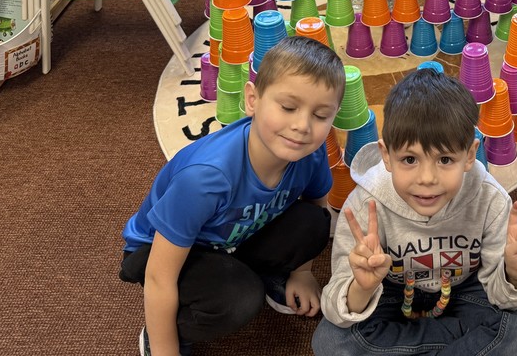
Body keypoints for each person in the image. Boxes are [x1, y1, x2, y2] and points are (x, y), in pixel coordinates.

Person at [119, 37, 346, 356]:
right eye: (288, 107)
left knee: (316, 221)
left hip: (234, 238)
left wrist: (302, 272)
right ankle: (173, 330)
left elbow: (316, 208)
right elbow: (159, 276)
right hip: (159, 252)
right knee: (240, 298)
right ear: (252, 100)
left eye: (321, 115)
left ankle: (263, 273)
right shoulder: (206, 178)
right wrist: (164, 349)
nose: (302, 126)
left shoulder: (310, 152)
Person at [313, 69, 517, 355]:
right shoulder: (364, 204)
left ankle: (412, 345)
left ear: (469, 155)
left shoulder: (490, 200)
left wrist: (515, 276)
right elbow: (336, 307)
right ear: (386, 156)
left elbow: (504, 299)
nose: (427, 178)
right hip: (387, 294)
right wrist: (362, 289)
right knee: (330, 342)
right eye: (410, 159)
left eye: (445, 159)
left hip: (464, 291)